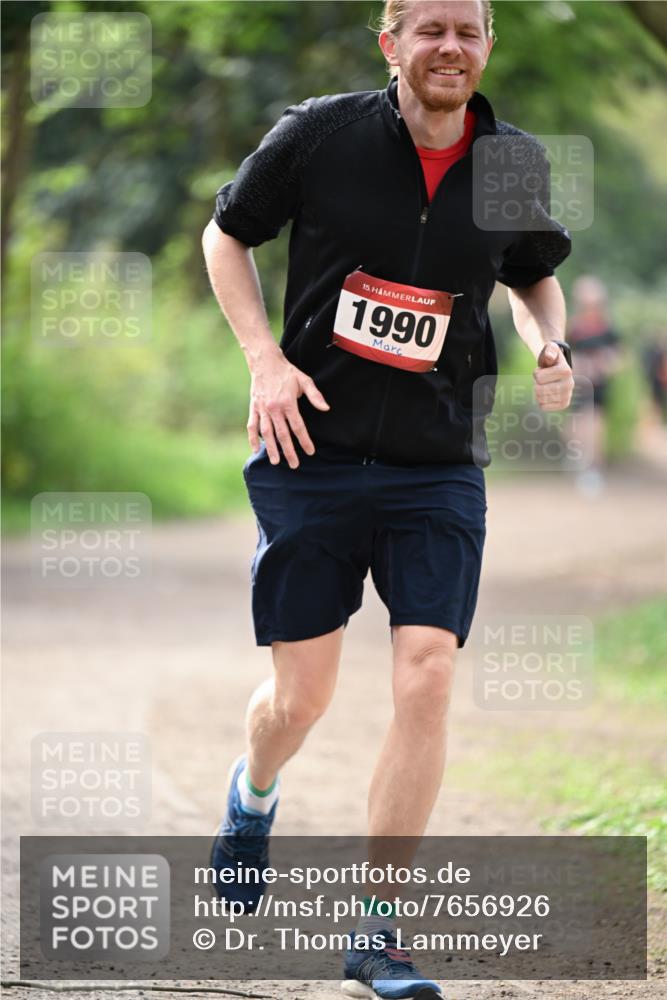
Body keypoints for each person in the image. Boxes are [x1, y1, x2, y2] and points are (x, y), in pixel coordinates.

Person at [202, 1, 574, 995]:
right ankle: (253, 793)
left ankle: (377, 931)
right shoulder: (318, 136)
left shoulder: (510, 163)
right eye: (429, 28)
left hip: (437, 458)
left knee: (427, 673)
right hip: (309, 445)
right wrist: (265, 363)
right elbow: (224, 234)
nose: (450, 47)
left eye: (469, 30)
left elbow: (532, 276)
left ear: (488, 47)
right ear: (390, 44)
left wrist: (547, 337)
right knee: (300, 698)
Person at [566, 275, 622, 495]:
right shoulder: (575, 327)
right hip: (578, 386)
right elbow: (565, 355)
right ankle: (580, 464)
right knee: (575, 428)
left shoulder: (607, 329)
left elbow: (618, 357)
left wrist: (605, 363)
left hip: (599, 389)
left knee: (596, 429)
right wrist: (578, 365)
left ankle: (593, 470)